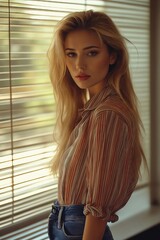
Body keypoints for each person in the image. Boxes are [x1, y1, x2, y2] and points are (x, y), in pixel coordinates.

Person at [47, 10, 146, 240]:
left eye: (91, 53)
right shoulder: (91, 111)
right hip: (68, 225)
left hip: (79, 228)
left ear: (112, 56)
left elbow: (98, 208)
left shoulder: (107, 113)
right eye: (71, 54)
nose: (79, 65)